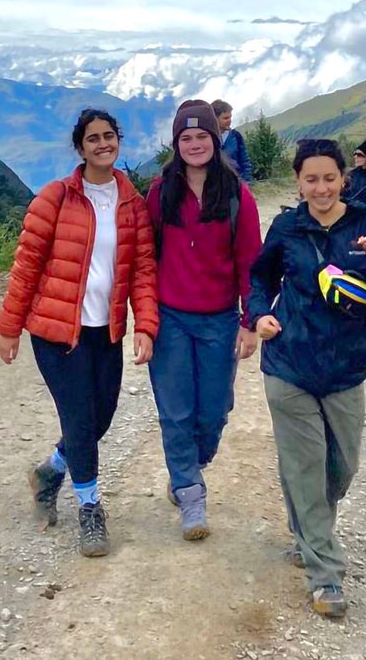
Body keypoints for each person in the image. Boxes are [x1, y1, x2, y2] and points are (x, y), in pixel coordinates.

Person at [248, 139, 366, 617]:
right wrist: (257, 317)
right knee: (306, 467)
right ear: (298, 182)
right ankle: (325, 575)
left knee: (341, 468)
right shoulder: (288, 226)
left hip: (346, 368)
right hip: (289, 364)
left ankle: (308, 532)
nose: (321, 187)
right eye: (311, 179)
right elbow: (260, 279)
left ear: (343, 179)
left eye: (329, 178)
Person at [0, 108, 159, 558]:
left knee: (101, 416)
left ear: (118, 141)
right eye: (93, 138)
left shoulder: (132, 204)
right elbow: (26, 266)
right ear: (80, 147)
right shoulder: (55, 198)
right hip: (55, 332)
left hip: (104, 332)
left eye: (109, 136)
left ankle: (50, 471)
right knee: (81, 419)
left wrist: (145, 325)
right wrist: (9, 329)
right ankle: (90, 509)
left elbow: (144, 269)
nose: (103, 144)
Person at [146, 99, 263, 541]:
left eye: (202, 136)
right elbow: (144, 255)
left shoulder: (237, 195)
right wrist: (144, 317)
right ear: (176, 144)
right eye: (186, 138)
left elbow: (251, 261)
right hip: (171, 318)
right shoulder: (160, 193)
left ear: (216, 140)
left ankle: (189, 467)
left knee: (214, 412)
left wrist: (250, 320)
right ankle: (191, 495)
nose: (194, 144)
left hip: (218, 320)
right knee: (176, 412)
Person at [211, 99, 252, 181]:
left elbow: (244, 161)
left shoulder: (236, 136)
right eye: (225, 118)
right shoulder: (207, 138)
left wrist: (245, 182)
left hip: (236, 184)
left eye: (230, 117)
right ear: (215, 119)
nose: (229, 120)